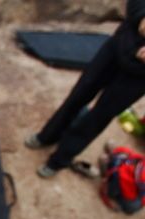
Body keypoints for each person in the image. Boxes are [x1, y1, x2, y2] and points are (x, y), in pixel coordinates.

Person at [25, 0, 145, 178]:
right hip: (120, 45)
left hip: (139, 77)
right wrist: (142, 16)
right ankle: (48, 135)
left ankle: (59, 159)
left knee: (100, 115)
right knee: (80, 93)